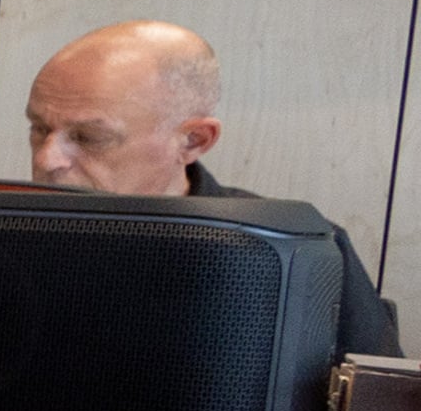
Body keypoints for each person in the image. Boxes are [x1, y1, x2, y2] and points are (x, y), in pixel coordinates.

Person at [27, 18, 401, 357]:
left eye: (89, 137)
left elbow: (381, 407)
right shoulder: (11, 231)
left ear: (194, 140)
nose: (46, 160)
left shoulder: (296, 253)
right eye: (40, 129)